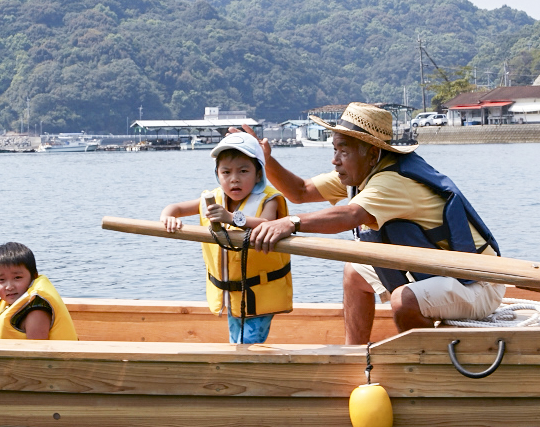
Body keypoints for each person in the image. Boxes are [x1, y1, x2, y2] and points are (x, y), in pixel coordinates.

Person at [248, 102, 503, 345]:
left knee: (403, 300)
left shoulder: (392, 181)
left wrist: (291, 222)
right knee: (354, 272)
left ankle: (423, 361)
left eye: (343, 151)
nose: (335, 160)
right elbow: (301, 191)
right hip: (438, 274)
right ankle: (355, 354)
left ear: (372, 154)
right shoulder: (360, 172)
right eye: (334, 150)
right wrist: (266, 160)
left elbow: (351, 215)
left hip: (477, 282)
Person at [158, 131, 294, 343]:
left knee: (247, 343)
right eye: (226, 172)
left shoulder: (270, 200)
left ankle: (245, 365)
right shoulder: (213, 199)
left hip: (261, 292)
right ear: (217, 175)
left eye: (243, 171)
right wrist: (168, 217)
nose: (234, 179)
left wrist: (231, 218)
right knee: (236, 341)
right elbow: (175, 208)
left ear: (258, 174)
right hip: (232, 294)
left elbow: (268, 223)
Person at [0, 242, 78, 341]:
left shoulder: (36, 312)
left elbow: (37, 350)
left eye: (17, 277)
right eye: (1, 280)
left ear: (34, 277)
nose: (9, 287)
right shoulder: (12, 302)